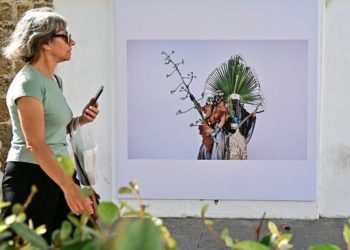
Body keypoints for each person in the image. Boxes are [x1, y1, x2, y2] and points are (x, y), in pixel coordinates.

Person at [1, 7, 99, 242]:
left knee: (82, 241)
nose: (71, 42)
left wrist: (80, 120)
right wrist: (71, 188)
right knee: (27, 246)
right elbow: (35, 142)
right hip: (32, 176)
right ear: (45, 42)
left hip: (58, 172)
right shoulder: (28, 84)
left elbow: (54, 130)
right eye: (65, 36)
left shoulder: (54, 80)